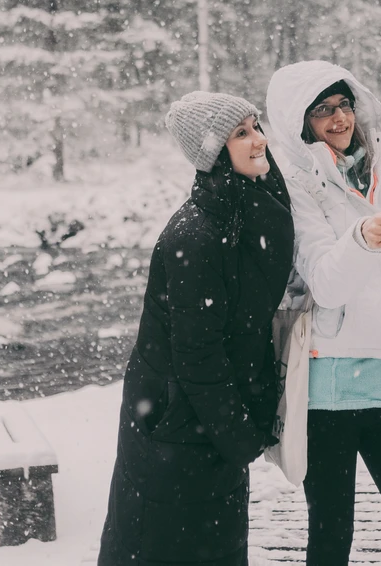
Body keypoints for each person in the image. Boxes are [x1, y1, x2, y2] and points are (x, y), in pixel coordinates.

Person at [265, 62, 381, 566]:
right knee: (332, 544)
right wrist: (362, 239)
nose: (339, 118)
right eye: (322, 110)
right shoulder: (297, 189)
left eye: (344, 105)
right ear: (300, 122)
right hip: (330, 397)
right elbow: (326, 284)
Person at [98, 91, 294, 566]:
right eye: (241, 133)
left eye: (256, 126)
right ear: (213, 153)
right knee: (165, 546)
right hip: (176, 424)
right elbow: (197, 354)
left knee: (213, 543)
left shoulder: (243, 208)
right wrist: (240, 435)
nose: (259, 139)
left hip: (206, 419)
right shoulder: (196, 236)